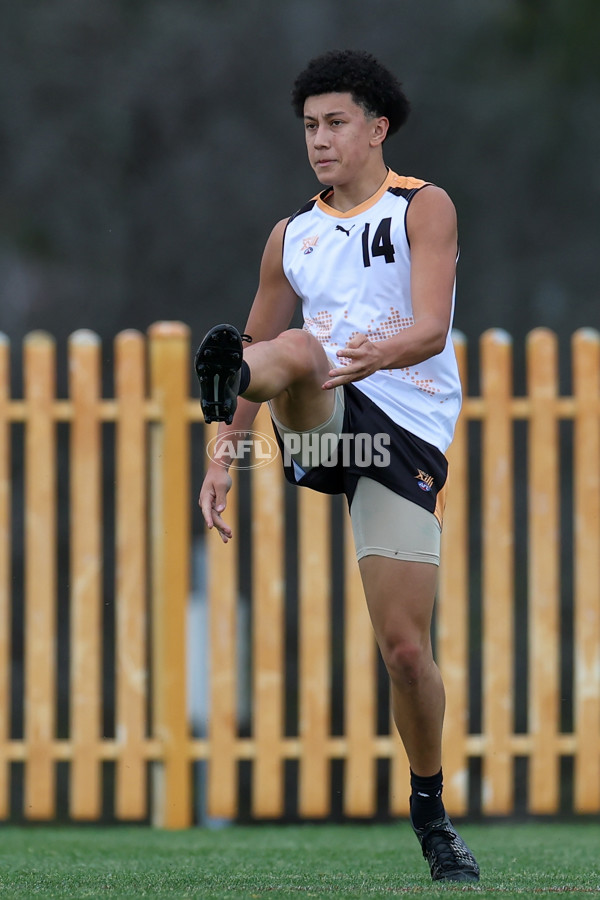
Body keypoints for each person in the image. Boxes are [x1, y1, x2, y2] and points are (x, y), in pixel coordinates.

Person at [195, 49, 479, 884]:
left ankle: (429, 807)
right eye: (310, 127)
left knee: (403, 649)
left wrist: (374, 355)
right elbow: (264, 341)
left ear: (377, 127)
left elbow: (430, 328)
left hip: (403, 432)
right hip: (320, 411)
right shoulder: (293, 235)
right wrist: (226, 452)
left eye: (335, 123)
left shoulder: (424, 207)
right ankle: (231, 385)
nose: (319, 140)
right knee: (286, 351)